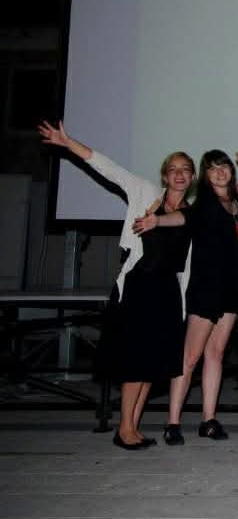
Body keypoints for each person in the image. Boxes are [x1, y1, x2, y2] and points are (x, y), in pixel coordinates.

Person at [39, 121, 192, 451]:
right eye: (173, 169)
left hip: (167, 291)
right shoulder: (145, 193)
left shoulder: (191, 214)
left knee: (153, 363)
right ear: (165, 176)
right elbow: (108, 168)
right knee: (136, 361)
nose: (179, 174)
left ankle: (133, 425)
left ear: (192, 177)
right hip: (140, 286)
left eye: (185, 170)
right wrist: (68, 143)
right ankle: (124, 429)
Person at [132, 150, 238, 444]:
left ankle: (208, 420)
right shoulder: (204, 204)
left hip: (230, 290)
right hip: (205, 288)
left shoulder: (236, 205)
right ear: (205, 176)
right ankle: (172, 423)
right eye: (212, 168)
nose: (219, 172)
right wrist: (157, 221)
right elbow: (183, 217)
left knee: (216, 355)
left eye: (224, 166)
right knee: (190, 357)